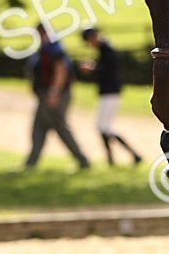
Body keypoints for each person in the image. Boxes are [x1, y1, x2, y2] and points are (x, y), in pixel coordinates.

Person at [23, 25, 89, 170]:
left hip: (54, 95)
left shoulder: (53, 48)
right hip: (45, 95)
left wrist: (54, 92)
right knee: (38, 128)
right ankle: (31, 163)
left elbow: (61, 68)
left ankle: (83, 161)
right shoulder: (46, 48)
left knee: (60, 128)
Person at [80, 27, 142, 165]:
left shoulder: (107, 50)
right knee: (103, 127)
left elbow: (109, 72)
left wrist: (93, 69)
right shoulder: (104, 50)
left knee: (104, 127)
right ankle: (115, 157)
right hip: (109, 92)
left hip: (110, 92)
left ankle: (125, 156)